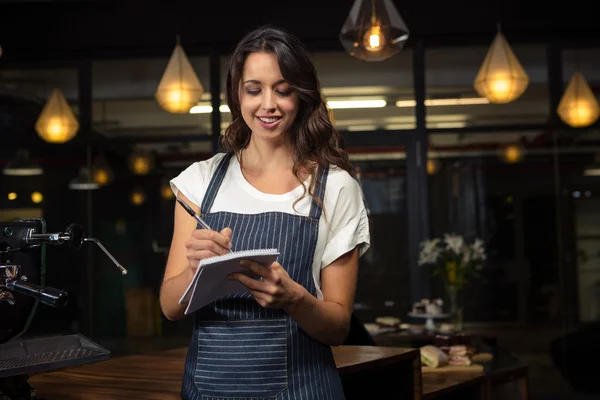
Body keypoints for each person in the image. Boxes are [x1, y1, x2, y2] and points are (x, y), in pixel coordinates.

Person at [160, 25, 370, 400]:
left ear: (302, 96)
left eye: (283, 90)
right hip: (207, 391)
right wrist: (195, 269)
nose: (268, 104)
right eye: (254, 90)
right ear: (237, 96)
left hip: (304, 390)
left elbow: (338, 328)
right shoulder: (200, 182)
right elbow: (170, 307)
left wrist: (295, 299)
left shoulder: (336, 187)